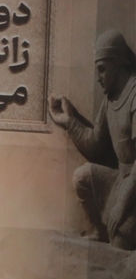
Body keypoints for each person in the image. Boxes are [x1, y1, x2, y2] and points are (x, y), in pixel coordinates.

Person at [49, 30, 135, 250]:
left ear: (117, 63)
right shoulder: (111, 99)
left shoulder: (134, 95)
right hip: (123, 181)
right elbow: (96, 144)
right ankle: (100, 230)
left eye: (102, 69)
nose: (98, 77)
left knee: (122, 240)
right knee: (82, 176)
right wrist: (70, 121)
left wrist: (120, 206)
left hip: (133, 186)